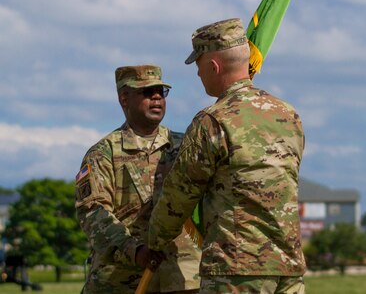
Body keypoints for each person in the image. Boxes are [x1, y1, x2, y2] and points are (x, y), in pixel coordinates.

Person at [147, 18, 306, 293]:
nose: (198, 75)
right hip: (288, 266)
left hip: (236, 269)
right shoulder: (288, 115)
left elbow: (178, 195)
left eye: (198, 66)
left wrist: (153, 241)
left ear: (213, 66)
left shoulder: (213, 121)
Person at [75, 65, 201, 294]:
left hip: (182, 279)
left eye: (160, 92)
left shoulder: (187, 147)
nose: (156, 98)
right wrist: (135, 250)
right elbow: (93, 212)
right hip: (124, 280)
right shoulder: (104, 153)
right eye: (146, 92)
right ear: (124, 98)